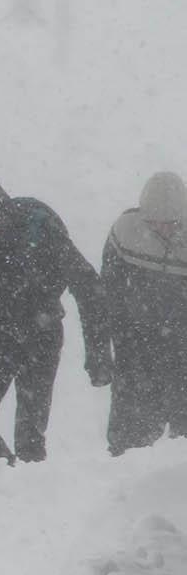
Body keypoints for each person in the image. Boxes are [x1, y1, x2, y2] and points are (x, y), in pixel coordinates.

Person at [0, 170, 113, 464]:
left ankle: (29, 490)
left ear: (3, 215)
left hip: (42, 334)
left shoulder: (39, 229)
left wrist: (99, 355)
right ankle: (10, 477)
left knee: (30, 438)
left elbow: (90, 288)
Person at [101, 172, 187, 455]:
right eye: (155, 222)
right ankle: (125, 470)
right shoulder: (126, 231)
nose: (162, 228)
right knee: (130, 426)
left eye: (170, 222)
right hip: (136, 341)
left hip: (182, 344)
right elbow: (109, 287)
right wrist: (119, 333)